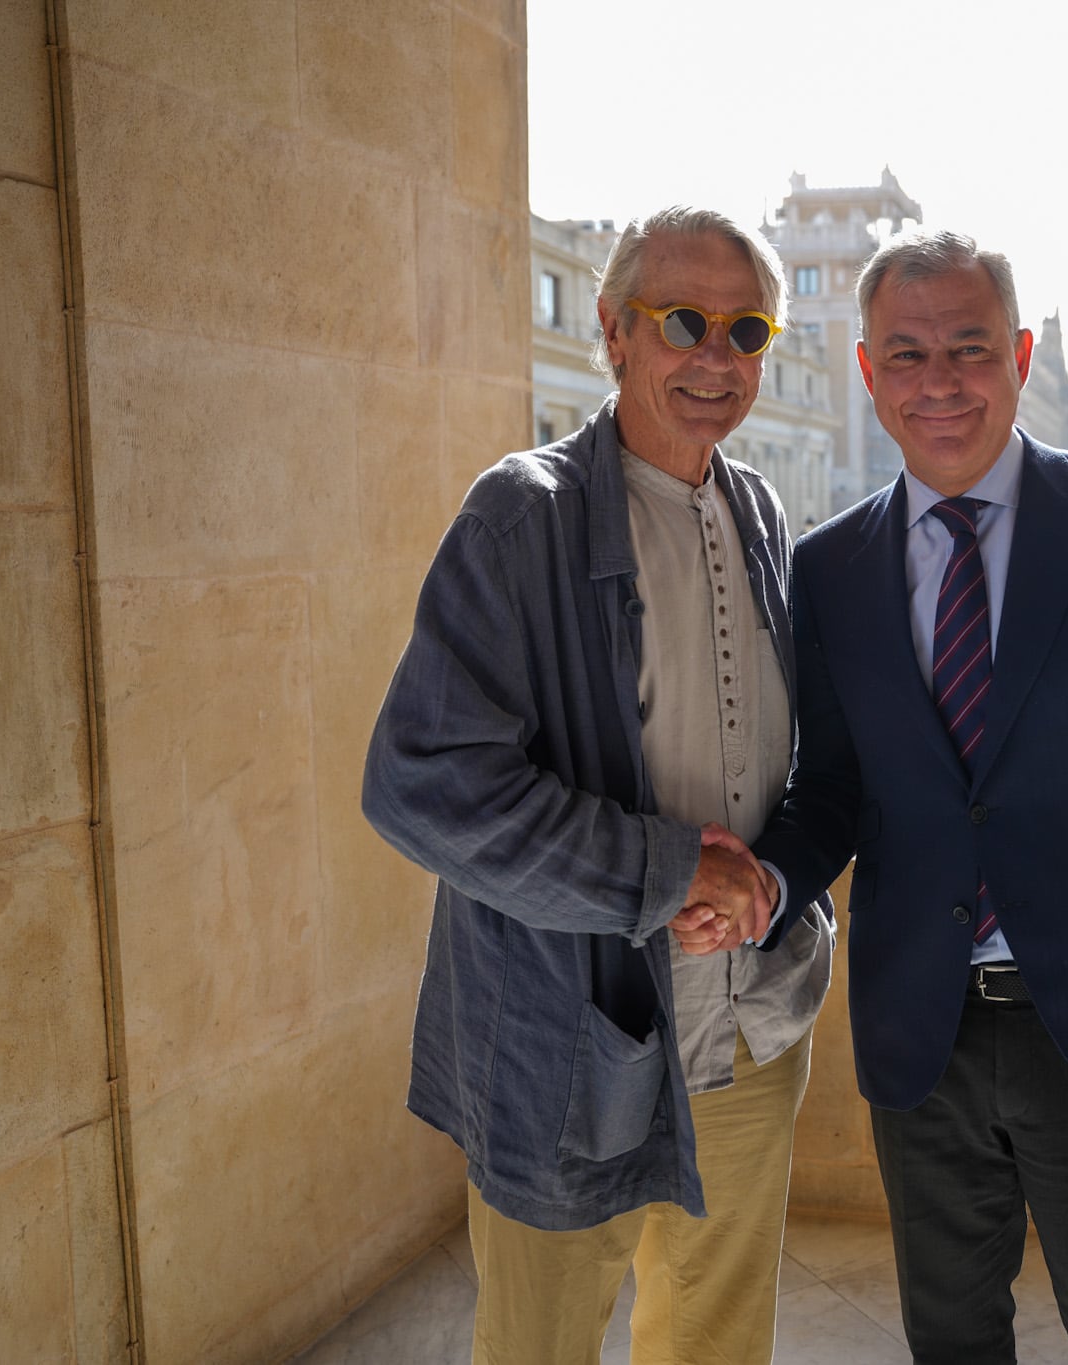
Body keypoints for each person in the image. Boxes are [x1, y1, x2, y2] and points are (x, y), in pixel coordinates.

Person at [746, 229, 1068, 1364]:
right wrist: (766, 881)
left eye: (969, 348)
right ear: (868, 376)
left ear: (1019, 356)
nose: (940, 382)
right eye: (908, 354)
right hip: (917, 1034)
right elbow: (829, 787)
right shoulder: (828, 569)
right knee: (949, 1335)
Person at [360, 206, 832, 1365]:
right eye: (682, 320)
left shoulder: (760, 510)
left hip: (748, 1031)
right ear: (615, 336)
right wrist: (670, 873)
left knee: (717, 1342)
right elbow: (419, 783)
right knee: (540, 1340)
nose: (714, 356)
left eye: (746, 327)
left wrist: (769, 885)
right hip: (570, 1043)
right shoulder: (518, 515)